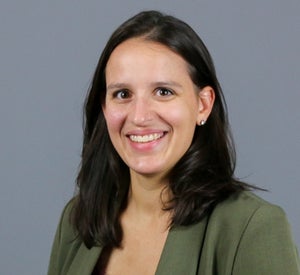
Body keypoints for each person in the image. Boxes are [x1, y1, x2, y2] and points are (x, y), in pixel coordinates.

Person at [47, 10, 300, 275]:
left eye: (163, 92)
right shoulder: (78, 219)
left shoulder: (253, 228)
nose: (139, 116)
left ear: (203, 105)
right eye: (123, 94)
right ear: (104, 106)